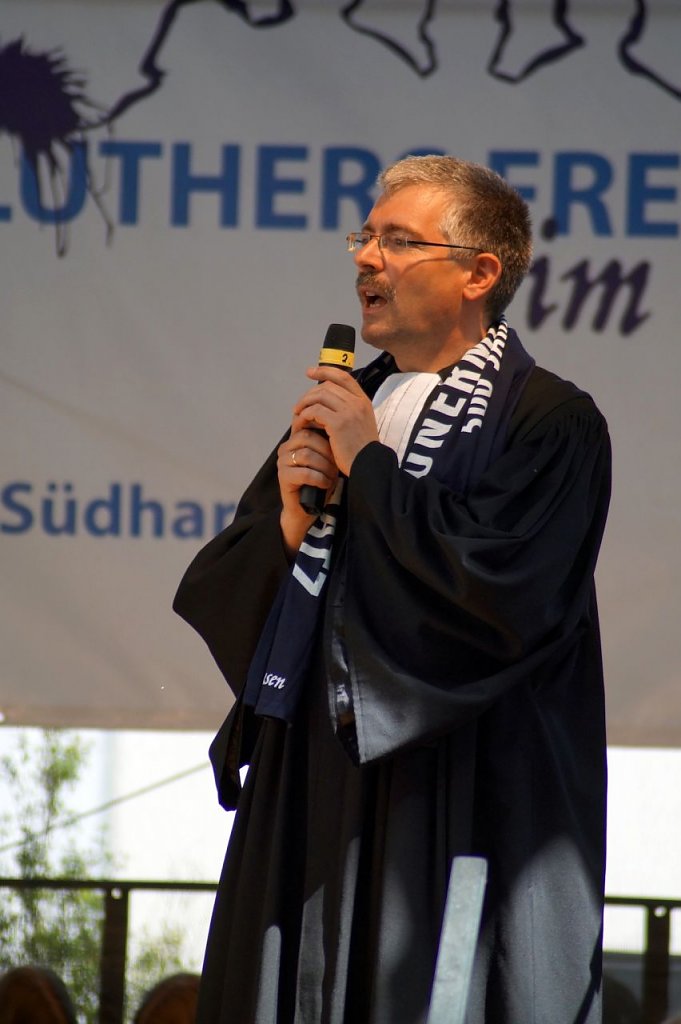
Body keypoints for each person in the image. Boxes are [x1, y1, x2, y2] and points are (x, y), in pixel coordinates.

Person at [173, 154, 611, 1024]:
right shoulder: (345, 408)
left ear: (478, 273)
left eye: (399, 241)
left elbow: (496, 599)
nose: (366, 258)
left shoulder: (549, 422)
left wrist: (369, 467)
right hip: (313, 785)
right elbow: (242, 598)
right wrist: (289, 527)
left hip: (460, 786)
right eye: (365, 237)